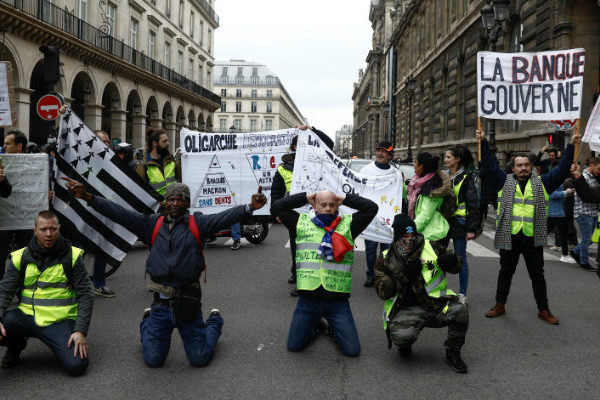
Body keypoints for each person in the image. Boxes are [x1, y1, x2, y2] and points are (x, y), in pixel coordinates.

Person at [64, 178, 267, 367]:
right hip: (160, 306)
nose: (176, 203)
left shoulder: (199, 224)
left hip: (188, 303)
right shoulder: (152, 223)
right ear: (165, 202)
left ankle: (214, 320)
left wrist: (250, 208)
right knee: (153, 360)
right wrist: (87, 196)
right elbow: (119, 213)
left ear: (187, 203)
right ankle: (148, 321)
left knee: (199, 359)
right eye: (171, 199)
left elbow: (225, 217)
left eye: (180, 200)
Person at [477, 128, 580, 324]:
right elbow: (489, 164)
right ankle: (499, 304)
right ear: (513, 168)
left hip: (533, 238)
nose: (523, 168)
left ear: (531, 166)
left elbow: (562, 169)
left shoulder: (543, 182)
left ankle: (543, 310)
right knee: (505, 273)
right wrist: (482, 141)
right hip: (510, 236)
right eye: (519, 165)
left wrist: (572, 145)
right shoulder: (503, 181)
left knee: (537, 276)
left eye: (526, 165)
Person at [272, 189, 378, 357]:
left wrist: (344, 198)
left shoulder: (348, 224)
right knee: (294, 346)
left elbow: (371, 208)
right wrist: (305, 198)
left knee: (352, 351)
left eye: (332, 205)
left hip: (337, 301)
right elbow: (278, 206)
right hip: (308, 300)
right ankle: (315, 324)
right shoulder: (300, 222)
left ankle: (331, 327)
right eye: (323, 205)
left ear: (337, 206)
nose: (328, 208)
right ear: (315, 206)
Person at [0, 210, 93, 375]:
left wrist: (80, 330)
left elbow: (86, 295)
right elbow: (4, 292)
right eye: (43, 230)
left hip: (59, 321)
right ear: (35, 231)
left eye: (53, 229)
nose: (48, 234)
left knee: (76, 366)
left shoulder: (72, 256)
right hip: (25, 317)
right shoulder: (19, 257)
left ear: (59, 228)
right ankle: (16, 345)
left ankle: (62, 341)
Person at [374, 214, 468, 373]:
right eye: (405, 236)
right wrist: (406, 274)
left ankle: (453, 352)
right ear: (397, 237)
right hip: (407, 311)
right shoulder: (386, 258)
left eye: (413, 235)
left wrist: (453, 260)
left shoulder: (431, 247)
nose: (410, 240)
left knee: (460, 310)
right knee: (402, 337)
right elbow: (383, 291)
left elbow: (456, 265)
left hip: (437, 308)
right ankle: (406, 344)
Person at [270, 126, 334, 296]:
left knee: (314, 247)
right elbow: (276, 192)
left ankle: (311, 278)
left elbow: (329, 143)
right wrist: (276, 212)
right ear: (296, 147)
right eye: (302, 144)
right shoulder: (283, 168)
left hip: (318, 213)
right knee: (297, 247)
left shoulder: (318, 160)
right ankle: (299, 276)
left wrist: (312, 130)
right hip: (296, 214)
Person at [440, 145, 480, 304]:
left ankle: (462, 294)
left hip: (459, 223)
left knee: (460, 258)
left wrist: (471, 229)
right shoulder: (443, 175)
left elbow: (472, 203)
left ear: (457, 159)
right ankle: (439, 290)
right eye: (445, 157)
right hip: (442, 222)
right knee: (439, 257)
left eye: (448, 157)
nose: (445, 159)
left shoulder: (466, 177)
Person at [360, 140, 400, 288]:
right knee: (370, 252)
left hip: (388, 221)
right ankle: (370, 275)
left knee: (386, 253)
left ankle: (383, 277)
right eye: (378, 150)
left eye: (384, 151)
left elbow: (399, 197)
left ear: (390, 155)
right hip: (371, 219)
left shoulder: (395, 173)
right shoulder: (366, 171)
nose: (380, 153)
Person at [0, 131, 33, 280]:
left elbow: (6, 191)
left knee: (23, 255)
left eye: (8, 143)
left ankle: (23, 292)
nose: (4, 146)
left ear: (19, 146)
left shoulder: (35, 164)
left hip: (24, 217)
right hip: (3, 218)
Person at [406, 152, 450, 245]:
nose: (414, 165)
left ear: (421, 166)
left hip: (431, 234)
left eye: (415, 162)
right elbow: (408, 195)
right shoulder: (419, 180)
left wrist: (410, 231)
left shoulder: (431, 185)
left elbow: (425, 215)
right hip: (422, 231)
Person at [569, 157, 600, 271]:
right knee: (586, 239)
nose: (599, 171)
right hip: (584, 212)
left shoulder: (594, 177)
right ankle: (584, 262)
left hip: (592, 211)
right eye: (598, 168)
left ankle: (576, 251)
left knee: (590, 238)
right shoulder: (584, 177)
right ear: (591, 165)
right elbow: (587, 195)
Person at [136, 127, 181, 196]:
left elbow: (180, 178)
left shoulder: (170, 159)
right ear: (155, 143)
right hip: (156, 206)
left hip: (173, 204)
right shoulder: (143, 165)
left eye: (167, 140)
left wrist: (183, 161)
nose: (168, 143)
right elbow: (140, 190)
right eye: (164, 141)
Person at [547, 183, 577, 263]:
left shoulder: (557, 181)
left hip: (557, 212)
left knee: (563, 234)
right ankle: (565, 255)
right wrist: (566, 192)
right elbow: (551, 194)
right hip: (555, 212)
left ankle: (565, 255)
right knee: (563, 234)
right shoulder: (552, 181)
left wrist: (567, 192)